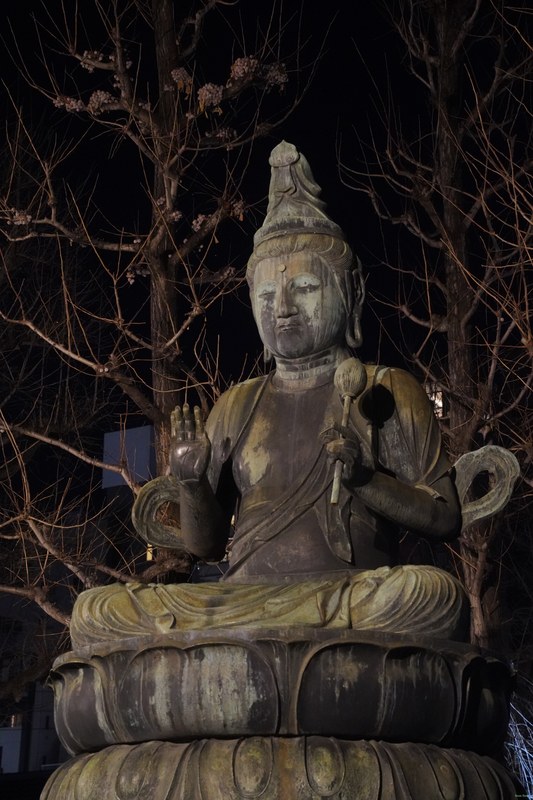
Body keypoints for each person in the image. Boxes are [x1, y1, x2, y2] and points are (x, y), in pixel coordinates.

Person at [70, 142, 468, 646]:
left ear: (350, 296)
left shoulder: (385, 391)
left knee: (428, 593)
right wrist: (191, 482)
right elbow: (207, 545)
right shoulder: (237, 405)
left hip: (348, 599)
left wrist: (366, 480)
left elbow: (443, 515)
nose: (282, 308)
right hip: (244, 600)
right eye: (265, 295)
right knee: (98, 610)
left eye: (303, 288)